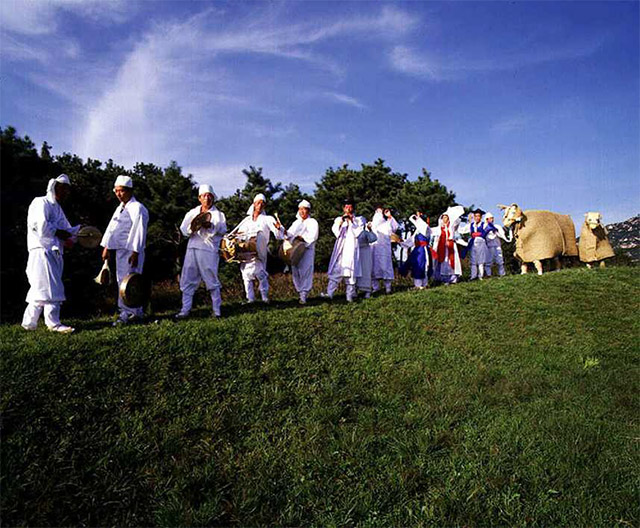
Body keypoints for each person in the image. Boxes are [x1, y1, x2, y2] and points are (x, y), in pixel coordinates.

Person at [22, 174, 81, 333]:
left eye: (68, 190)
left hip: (53, 252)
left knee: (40, 288)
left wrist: (80, 233)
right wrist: (59, 233)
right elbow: (40, 227)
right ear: (55, 187)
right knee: (52, 287)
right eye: (64, 189)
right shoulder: (40, 202)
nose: (66, 193)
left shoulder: (58, 209)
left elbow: (67, 230)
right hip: (42, 250)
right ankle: (53, 324)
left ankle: (29, 323)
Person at [100, 175, 149, 325]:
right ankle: (135, 312)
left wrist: (135, 252)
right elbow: (112, 228)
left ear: (129, 191)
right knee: (121, 280)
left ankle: (128, 313)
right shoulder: (120, 208)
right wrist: (107, 247)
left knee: (129, 282)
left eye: (121, 191)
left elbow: (140, 230)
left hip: (132, 250)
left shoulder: (138, 208)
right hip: (120, 250)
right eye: (116, 191)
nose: (118, 194)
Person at [175, 184, 227, 318]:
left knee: (211, 279)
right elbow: (184, 228)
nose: (207, 198)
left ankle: (217, 311)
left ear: (213, 198)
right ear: (199, 198)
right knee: (188, 278)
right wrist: (193, 227)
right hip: (192, 247)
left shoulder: (219, 215)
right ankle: (185, 310)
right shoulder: (192, 212)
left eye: (210, 196)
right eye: (204, 196)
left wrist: (210, 226)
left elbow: (222, 230)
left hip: (208, 249)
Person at [233, 193, 283, 304]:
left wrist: (279, 229)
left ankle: (265, 297)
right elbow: (239, 233)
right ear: (254, 204)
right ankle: (250, 299)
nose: (260, 205)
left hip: (260, 249)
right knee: (246, 275)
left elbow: (278, 233)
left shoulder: (267, 219)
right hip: (246, 250)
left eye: (262, 203)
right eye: (258, 203)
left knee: (261, 273)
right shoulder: (246, 220)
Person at [323, 199, 364, 302]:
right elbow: (336, 232)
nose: (348, 209)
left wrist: (351, 221)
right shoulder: (338, 219)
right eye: (346, 207)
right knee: (336, 271)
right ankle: (330, 293)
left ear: (353, 208)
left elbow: (358, 233)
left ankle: (349, 295)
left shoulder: (359, 220)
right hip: (341, 249)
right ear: (343, 208)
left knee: (351, 272)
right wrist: (341, 222)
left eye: (350, 207)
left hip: (352, 249)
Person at [281, 199, 319, 304]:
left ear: (309, 211)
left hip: (307, 250)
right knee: (296, 271)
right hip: (296, 251)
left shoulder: (312, 222)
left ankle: (304, 295)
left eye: (305, 209)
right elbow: (289, 234)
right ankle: (300, 293)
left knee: (305, 271)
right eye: (300, 209)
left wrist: (303, 238)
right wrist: (282, 230)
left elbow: (313, 236)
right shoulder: (296, 223)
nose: (302, 211)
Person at [431, 205, 465, 285]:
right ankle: (442, 279)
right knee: (443, 262)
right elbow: (430, 231)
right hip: (442, 247)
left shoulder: (452, 227)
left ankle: (452, 279)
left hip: (451, 247)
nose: (444, 219)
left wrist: (451, 212)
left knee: (452, 262)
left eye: (446, 217)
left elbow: (457, 221)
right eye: (443, 217)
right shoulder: (438, 228)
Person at [401, 212, 432, 289]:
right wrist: (400, 241)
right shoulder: (418, 230)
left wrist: (416, 217)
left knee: (423, 265)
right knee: (416, 266)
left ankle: (424, 284)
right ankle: (417, 285)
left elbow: (419, 223)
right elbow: (411, 241)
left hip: (423, 249)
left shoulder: (426, 228)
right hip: (417, 250)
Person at [371, 207, 399, 294]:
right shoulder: (371, 224)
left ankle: (388, 288)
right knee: (373, 268)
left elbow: (395, 227)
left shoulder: (387, 223)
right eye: (377, 211)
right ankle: (375, 288)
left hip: (384, 250)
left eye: (380, 211)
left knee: (385, 267)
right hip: (374, 249)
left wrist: (389, 216)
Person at [459, 208, 489, 280]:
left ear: (481, 217)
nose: (477, 218)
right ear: (474, 217)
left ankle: (480, 275)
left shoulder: (484, 224)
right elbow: (461, 230)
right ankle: (473, 276)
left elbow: (487, 233)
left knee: (481, 260)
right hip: (473, 242)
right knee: (473, 259)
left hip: (481, 242)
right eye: (475, 216)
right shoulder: (471, 225)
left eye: (478, 216)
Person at [484, 212, 511, 277]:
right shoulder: (484, 227)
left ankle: (502, 274)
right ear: (487, 219)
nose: (492, 220)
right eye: (490, 218)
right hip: (489, 247)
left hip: (497, 245)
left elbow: (502, 235)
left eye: (492, 218)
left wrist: (496, 231)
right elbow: (485, 237)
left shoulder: (497, 226)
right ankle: (488, 274)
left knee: (500, 260)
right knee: (488, 261)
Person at [355, 219, 377, 299]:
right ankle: (355, 290)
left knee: (366, 271)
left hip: (365, 253)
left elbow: (373, 238)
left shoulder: (364, 232)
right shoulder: (353, 231)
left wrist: (370, 230)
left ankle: (367, 291)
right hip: (356, 253)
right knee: (356, 272)